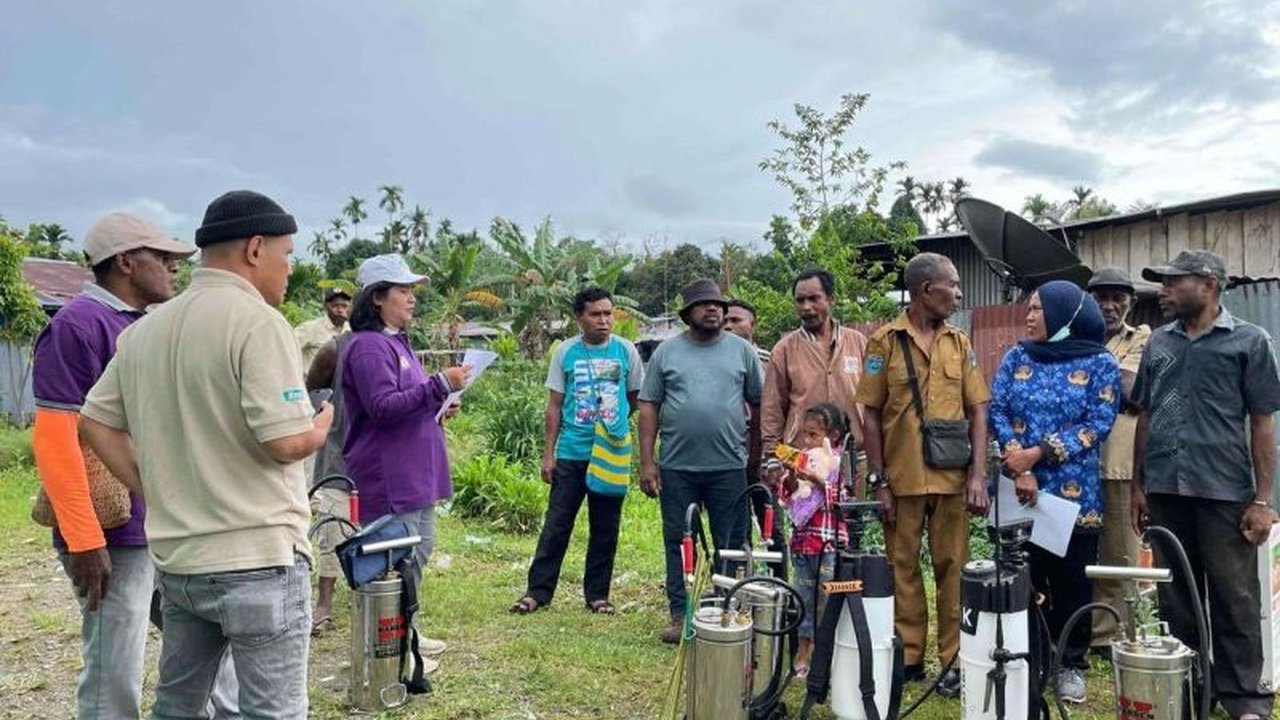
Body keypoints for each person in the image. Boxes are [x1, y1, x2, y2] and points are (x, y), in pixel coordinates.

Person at [80, 190, 331, 719]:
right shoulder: (258, 323)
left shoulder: (146, 330)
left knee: (178, 707)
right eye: (287, 255)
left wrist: (155, 486)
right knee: (273, 712)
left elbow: (94, 421)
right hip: (258, 559)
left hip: (181, 564)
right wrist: (321, 428)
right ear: (256, 249)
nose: (289, 269)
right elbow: (284, 442)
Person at [32, 212, 239, 719]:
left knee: (208, 645)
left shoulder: (146, 324)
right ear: (125, 262)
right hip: (114, 534)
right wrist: (84, 540)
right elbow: (57, 438)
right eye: (162, 257)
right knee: (114, 666)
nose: (174, 267)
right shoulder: (78, 326)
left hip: (162, 522)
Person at [1132, 250, 1280, 720]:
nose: (1164, 290)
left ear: (1210, 284)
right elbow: (1146, 416)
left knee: (1234, 597)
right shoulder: (1158, 343)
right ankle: (1191, 689)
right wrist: (1139, 486)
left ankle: (1246, 701)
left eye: (1175, 282)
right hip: (1166, 492)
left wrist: (1263, 499)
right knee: (1177, 596)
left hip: (1223, 491)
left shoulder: (1249, 341)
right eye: (1163, 283)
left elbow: (1262, 423)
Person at [854, 252, 990, 696]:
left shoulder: (960, 343)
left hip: (952, 479)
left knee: (954, 568)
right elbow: (870, 415)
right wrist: (879, 480)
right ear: (926, 290)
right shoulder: (884, 343)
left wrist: (977, 475)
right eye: (952, 284)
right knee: (902, 567)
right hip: (903, 477)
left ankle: (953, 658)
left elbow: (978, 409)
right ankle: (909, 654)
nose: (958, 292)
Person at [988, 280, 1120, 704]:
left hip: (1073, 495)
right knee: (1024, 577)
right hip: (1019, 490)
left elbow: (1098, 422)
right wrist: (1017, 461)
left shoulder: (1100, 363)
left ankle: (1070, 663)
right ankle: (1030, 660)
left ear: (1065, 315)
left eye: (1038, 309)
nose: (1028, 317)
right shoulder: (1016, 357)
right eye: (1028, 308)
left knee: (1071, 583)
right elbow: (998, 409)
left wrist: (1038, 453)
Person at [341, 253, 470, 668]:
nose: (412, 298)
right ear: (377, 297)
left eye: (413, 290)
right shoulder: (367, 347)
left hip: (416, 472)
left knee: (416, 555)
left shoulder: (397, 342)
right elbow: (381, 407)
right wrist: (436, 385)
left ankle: (407, 633)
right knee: (392, 563)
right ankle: (391, 652)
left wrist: (439, 402)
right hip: (391, 475)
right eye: (403, 290)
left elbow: (407, 403)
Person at [638, 278, 764, 644]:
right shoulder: (667, 353)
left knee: (732, 542)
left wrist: (753, 460)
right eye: (704, 304)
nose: (713, 309)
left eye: (718, 304)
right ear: (688, 313)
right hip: (678, 467)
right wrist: (647, 463)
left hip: (729, 467)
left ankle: (728, 609)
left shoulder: (741, 351)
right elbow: (649, 407)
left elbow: (758, 405)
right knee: (679, 540)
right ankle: (681, 615)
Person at [510, 287, 644, 616]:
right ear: (579, 318)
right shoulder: (565, 352)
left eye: (608, 313)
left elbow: (636, 399)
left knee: (605, 526)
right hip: (572, 452)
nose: (604, 320)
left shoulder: (626, 351)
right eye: (596, 314)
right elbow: (554, 406)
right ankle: (537, 592)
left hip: (610, 455)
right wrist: (548, 454)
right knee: (557, 524)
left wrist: (613, 430)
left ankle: (597, 595)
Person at [1085, 267, 1151, 649]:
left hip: (1118, 466)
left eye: (1117, 297)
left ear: (1131, 301)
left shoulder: (1143, 340)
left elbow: (1133, 391)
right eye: (1100, 297)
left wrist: (1082, 370)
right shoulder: (1071, 337)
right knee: (1076, 556)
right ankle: (1076, 630)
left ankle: (1109, 637)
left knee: (1119, 559)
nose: (1109, 305)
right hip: (1073, 468)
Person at [774, 403, 851, 677]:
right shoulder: (805, 459)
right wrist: (794, 475)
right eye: (805, 435)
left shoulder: (840, 464)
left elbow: (841, 500)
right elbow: (788, 498)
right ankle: (803, 649)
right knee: (803, 596)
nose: (808, 442)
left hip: (829, 544)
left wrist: (819, 480)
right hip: (804, 544)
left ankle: (824, 653)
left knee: (826, 599)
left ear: (834, 436)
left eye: (814, 435)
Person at [761, 268, 867, 462]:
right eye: (800, 301)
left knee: (853, 494)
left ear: (831, 298)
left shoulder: (858, 343)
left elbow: (875, 399)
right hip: (802, 459)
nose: (806, 307)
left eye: (813, 298)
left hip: (852, 457)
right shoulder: (784, 350)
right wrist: (773, 459)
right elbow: (772, 410)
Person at [295, 287, 351, 370]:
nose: (340, 310)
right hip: (312, 381)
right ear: (325, 306)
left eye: (344, 306)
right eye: (335, 306)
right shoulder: (310, 328)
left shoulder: (351, 330)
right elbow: (288, 349)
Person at [724, 298, 772, 365]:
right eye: (723, 322)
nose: (727, 326)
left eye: (735, 320)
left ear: (753, 325)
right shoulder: (710, 359)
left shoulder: (770, 362)